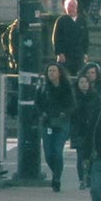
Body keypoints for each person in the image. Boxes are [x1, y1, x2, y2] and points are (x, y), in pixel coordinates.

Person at [35, 63, 75, 191]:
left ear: (59, 73)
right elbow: (37, 104)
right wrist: (43, 114)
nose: (51, 73)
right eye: (49, 71)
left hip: (62, 123)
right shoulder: (43, 88)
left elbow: (72, 105)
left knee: (57, 151)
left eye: (54, 71)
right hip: (48, 123)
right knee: (48, 154)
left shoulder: (66, 87)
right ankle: (55, 171)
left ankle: (57, 177)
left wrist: (64, 113)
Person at [69, 71, 98, 191]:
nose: (84, 84)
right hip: (78, 130)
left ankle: (90, 177)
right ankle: (82, 179)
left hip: (92, 130)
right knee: (80, 156)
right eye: (81, 82)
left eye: (86, 82)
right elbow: (71, 113)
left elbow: (99, 111)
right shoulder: (73, 97)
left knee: (91, 156)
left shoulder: (95, 96)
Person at [52, 0, 90, 76]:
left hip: (78, 54)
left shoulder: (82, 20)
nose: (70, 8)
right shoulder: (61, 20)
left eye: (72, 6)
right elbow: (56, 38)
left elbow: (86, 38)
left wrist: (85, 53)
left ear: (76, 7)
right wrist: (59, 53)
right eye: (68, 6)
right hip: (65, 55)